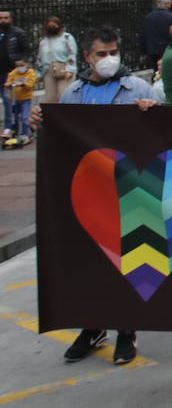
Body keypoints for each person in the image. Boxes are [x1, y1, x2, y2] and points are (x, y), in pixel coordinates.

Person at [30, 26, 157, 365]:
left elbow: (166, 131)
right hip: (91, 192)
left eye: (113, 52)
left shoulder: (137, 88)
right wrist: (41, 119)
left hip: (130, 189)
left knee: (127, 262)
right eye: (101, 54)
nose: (109, 59)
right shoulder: (74, 93)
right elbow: (59, 135)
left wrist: (153, 112)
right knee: (90, 264)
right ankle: (92, 327)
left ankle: (126, 332)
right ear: (87, 57)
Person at [36, 15, 78, 110]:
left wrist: (70, 70)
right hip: (48, 70)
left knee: (64, 96)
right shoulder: (44, 41)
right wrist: (38, 74)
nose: (52, 28)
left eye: (54, 26)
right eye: (49, 26)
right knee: (50, 98)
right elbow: (39, 57)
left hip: (64, 69)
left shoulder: (67, 38)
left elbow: (72, 54)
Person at [3, 57, 36, 148]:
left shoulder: (31, 73)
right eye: (17, 66)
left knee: (24, 117)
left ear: (26, 65)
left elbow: (31, 84)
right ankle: (14, 133)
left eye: (22, 65)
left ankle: (24, 134)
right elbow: (8, 81)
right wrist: (8, 84)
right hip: (15, 98)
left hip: (25, 98)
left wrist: (23, 84)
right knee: (14, 117)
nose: (19, 68)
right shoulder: (13, 73)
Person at [140, 0, 172, 68]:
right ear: (167, 4)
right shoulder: (171, 17)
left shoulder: (148, 17)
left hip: (151, 50)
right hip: (166, 50)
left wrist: (143, 51)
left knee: (155, 72)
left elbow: (143, 34)